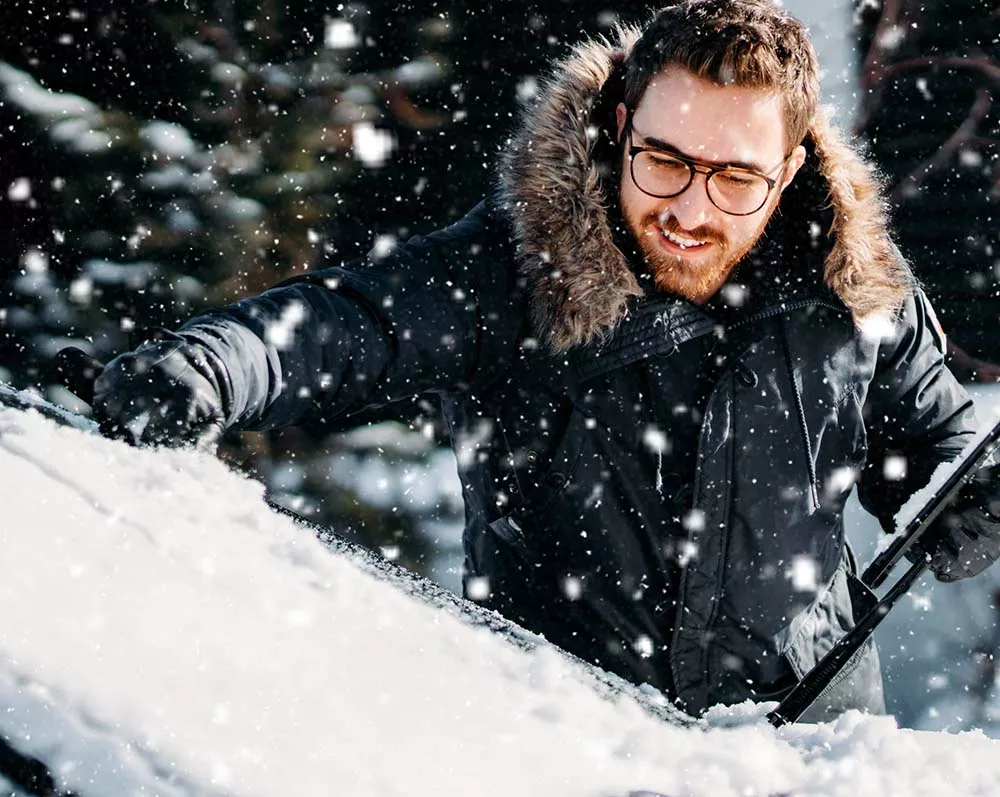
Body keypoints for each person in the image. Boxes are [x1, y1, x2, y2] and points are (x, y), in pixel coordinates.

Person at [93, 0, 1000, 720]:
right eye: (664, 161)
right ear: (618, 127)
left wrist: (975, 502)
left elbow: (943, 451)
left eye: (734, 177)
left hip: (809, 748)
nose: (690, 208)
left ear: (791, 169)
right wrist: (208, 366)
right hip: (566, 738)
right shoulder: (518, 268)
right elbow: (344, 324)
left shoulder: (855, 292)